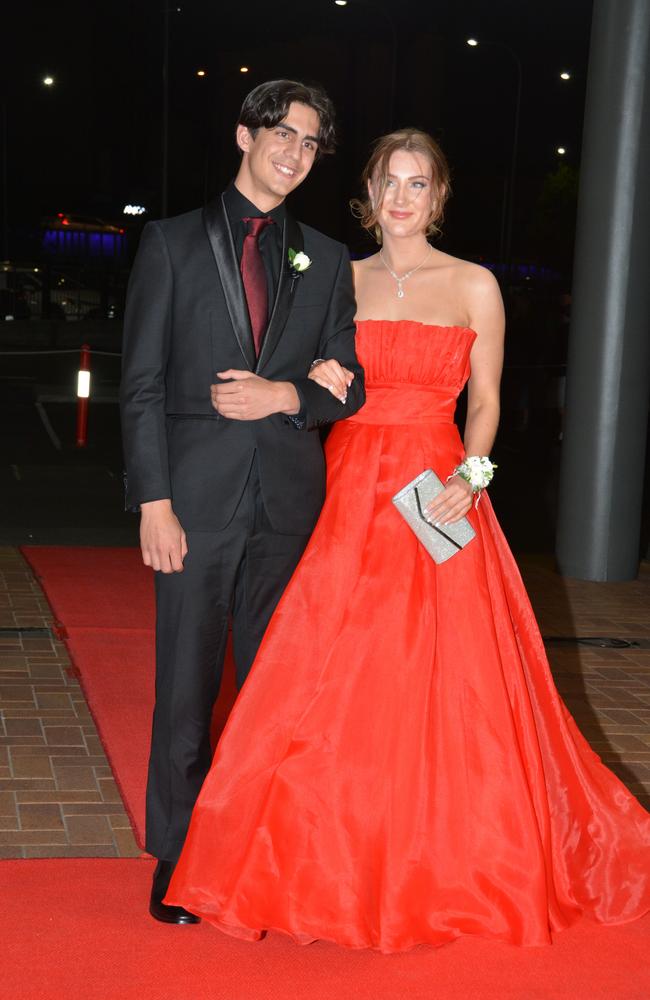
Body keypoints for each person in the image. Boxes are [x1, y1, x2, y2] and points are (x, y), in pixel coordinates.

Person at [165, 129, 650, 951]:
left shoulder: (474, 286)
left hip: (437, 488)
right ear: (368, 190)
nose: (401, 198)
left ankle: (445, 860)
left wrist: (476, 473)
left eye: (417, 184)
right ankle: (313, 858)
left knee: (447, 680)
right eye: (390, 182)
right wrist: (316, 382)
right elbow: (317, 380)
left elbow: (487, 401)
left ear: (438, 196)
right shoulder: (333, 279)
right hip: (345, 488)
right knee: (321, 670)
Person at [119, 79, 365, 924]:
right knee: (185, 687)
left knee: (274, 693)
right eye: (282, 135)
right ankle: (179, 857)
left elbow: (347, 382)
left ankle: (259, 851)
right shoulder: (172, 244)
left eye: (310, 144)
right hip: (190, 504)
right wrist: (153, 500)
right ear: (244, 135)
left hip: (289, 510)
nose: (294, 154)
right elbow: (142, 386)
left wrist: (288, 395)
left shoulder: (328, 259)